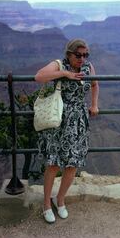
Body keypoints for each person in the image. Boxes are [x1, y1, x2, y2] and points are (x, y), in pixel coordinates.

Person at [34, 38, 99, 223]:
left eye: (85, 55)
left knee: (72, 164)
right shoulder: (59, 64)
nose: (82, 59)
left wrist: (94, 104)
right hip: (59, 120)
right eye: (78, 55)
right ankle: (46, 203)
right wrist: (65, 74)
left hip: (78, 121)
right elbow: (38, 76)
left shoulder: (88, 68)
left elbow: (94, 85)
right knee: (53, 164)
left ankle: (60, 199)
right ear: (69, 54)